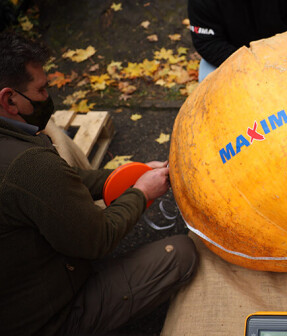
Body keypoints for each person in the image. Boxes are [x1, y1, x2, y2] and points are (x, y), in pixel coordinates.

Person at [0, 32, 198, 335]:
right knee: (181, 253)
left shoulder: (19, 151)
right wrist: (142, 192)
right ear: (9, 99)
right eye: (41, 90)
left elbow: (65, 182)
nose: (47, 96)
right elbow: (98, 239)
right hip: (48, 320)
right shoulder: (29, 166)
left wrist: (133, 174)